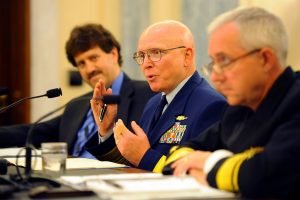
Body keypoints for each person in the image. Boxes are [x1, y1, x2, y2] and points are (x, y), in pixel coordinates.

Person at [160, 7, 300, 198]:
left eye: (224, 61)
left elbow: (267, 175)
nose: (215, 77)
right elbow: (178, 153)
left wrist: (209, 162)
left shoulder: (294, 100)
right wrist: (219, 167)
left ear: (265, 59)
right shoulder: (238, 106)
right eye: (213, 63)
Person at [0, 24, 154, 161]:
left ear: (113, 54)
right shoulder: (77, 105)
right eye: (81, 63)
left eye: (93, 58)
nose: (89, 69)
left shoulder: (149, 95)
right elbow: (34, 132)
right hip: (67, 183)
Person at [89, 20, 227, 171]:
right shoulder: (153, 103)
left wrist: (145, 156)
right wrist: (107, 130)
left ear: (187, 56)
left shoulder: (211, 105)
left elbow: (198, 174)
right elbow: (133, 165)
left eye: (156, 53)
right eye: (141, 55)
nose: (146, 64)